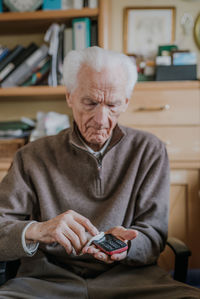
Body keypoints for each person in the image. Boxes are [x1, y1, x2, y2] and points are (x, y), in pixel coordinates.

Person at [0, 46, 199, 299]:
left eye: (113, 104)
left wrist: (127, 246)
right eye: (90, 102)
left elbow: (154, 236)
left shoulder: (149, 151)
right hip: (46, 280)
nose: (101, 119)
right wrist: (38, 230)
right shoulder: (31, 156)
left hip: (131, 279)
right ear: (69, 96)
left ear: (126, 101)